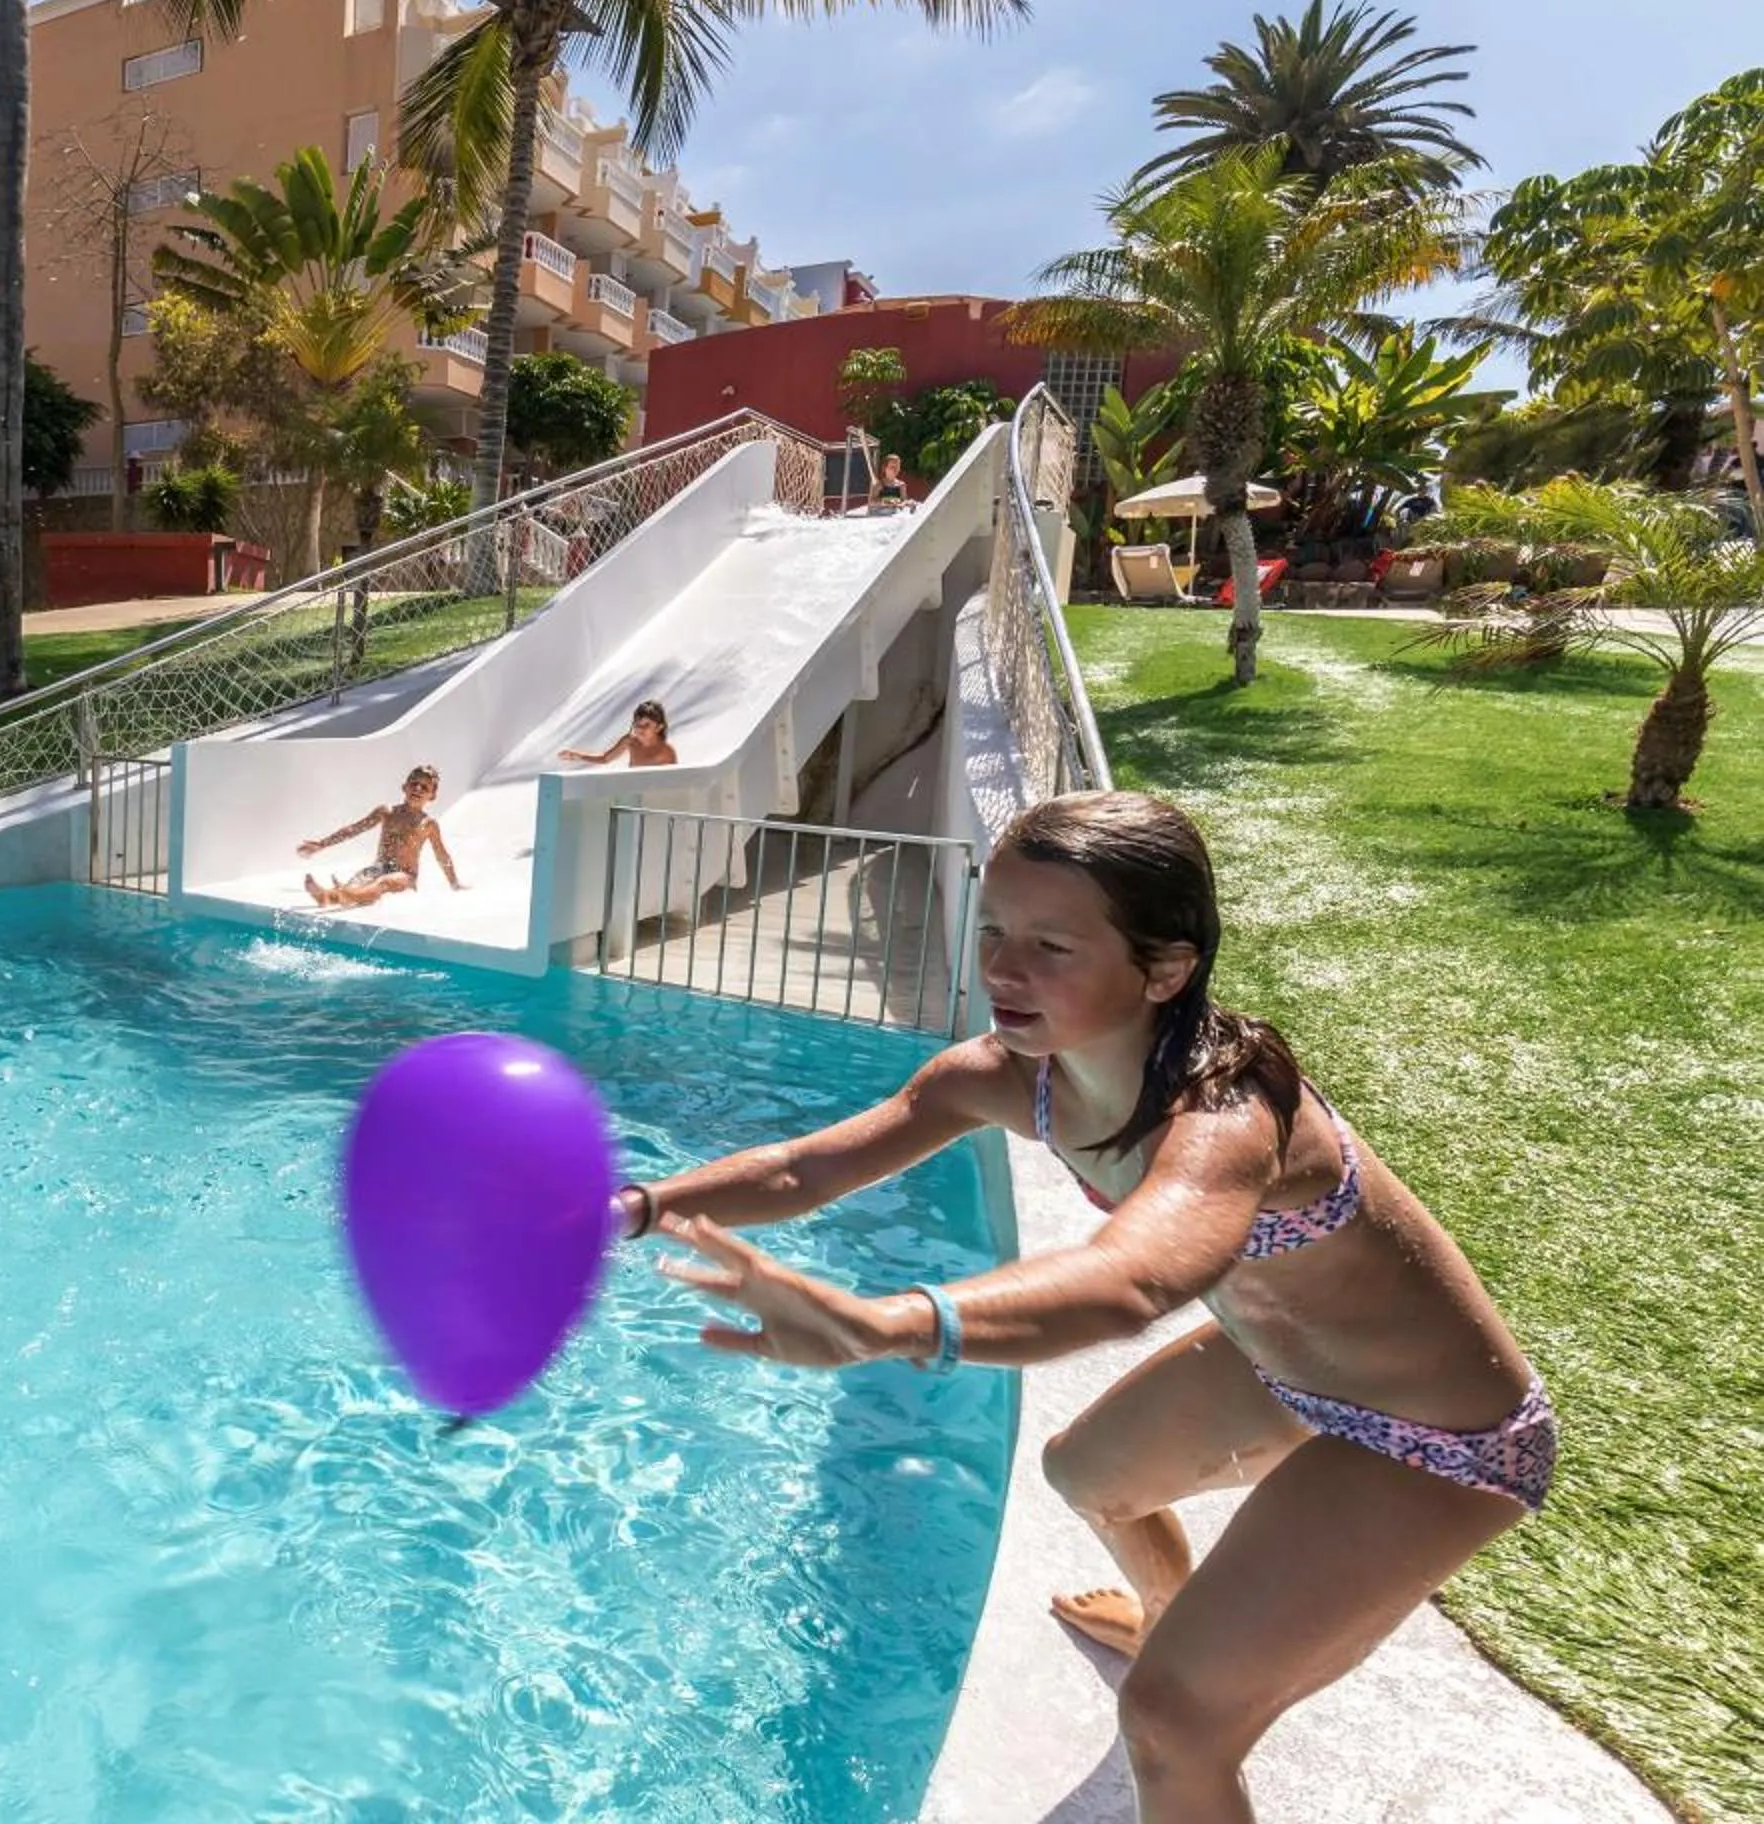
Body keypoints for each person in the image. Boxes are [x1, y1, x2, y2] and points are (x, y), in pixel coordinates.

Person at [614, 791, 1551, 1824]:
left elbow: (1130, 1279)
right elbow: (806, 1166)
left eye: (1052, 944)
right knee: (1086, 1474)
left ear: (1165, 967)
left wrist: (888, 1322)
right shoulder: (1018, 1078)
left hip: (1435, 1435)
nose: (1006, 969)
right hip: (1280, 1371)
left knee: (1174, 1721)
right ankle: (1166, 1615)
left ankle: (1179, 1670)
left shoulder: (1231, 1113)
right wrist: (632, 1206)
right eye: (994, 931)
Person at [296, 765, 464, 909]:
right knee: (358, 882)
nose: (418, 789)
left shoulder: (428, 824)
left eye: (424, 787)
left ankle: (347, 895)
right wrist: (322, 844)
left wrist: (454, 883)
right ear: (404, 787)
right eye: (414, 784)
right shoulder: (387, 812)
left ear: (432, 796)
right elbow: (355, 829)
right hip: (379, 868)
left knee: (382, 882)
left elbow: (442, 855)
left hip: (405, 877)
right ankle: (326, 896)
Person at [558, 699, 678, 769]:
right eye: (637, 724)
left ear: (659, 727)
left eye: (646, 725)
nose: (640, 729)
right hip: (635, 796)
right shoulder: (630, 741)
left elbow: (675, 783)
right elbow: (605, 758)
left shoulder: (666, 751)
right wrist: (577, 756)